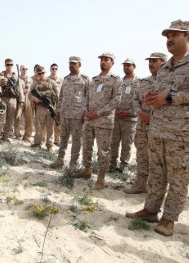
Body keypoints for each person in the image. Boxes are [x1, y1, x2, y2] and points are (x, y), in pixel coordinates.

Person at [126, 19, 189, 237]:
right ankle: (150, 210)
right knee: (156, 175)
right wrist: (152, 98)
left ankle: (169, 219)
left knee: (178, 177)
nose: (170, 39)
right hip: (158, 130)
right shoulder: (165, 67)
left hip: (182, 133)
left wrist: (169, 98)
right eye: (168, 36)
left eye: (175, 35)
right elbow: (160, 94)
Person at [73, 53, 122, 189]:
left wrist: (98, 113)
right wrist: (86, 111)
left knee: (103, 150)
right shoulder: (94, 80)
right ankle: (87, 170)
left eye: (106, 60)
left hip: (104, 121)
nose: (103, 62)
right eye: (101, 60)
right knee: (87, 146)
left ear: (112, 62)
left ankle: (101, 177)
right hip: (89, 120)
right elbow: (86, 98)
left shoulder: (116, 80)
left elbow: (116, 101)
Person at [123, 52, 167, 194]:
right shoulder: (144, 82)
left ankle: (156, 189)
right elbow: (135, 100)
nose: (151, 64)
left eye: (154, 61)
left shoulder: (169, 82)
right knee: (142, 156)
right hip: (142, 126)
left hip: (161, 128)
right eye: (150, 61)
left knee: (159, 159)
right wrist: (140, 113)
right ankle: (141, 184)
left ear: (164, 62)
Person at [50, 56, 89, 169]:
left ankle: (73, 163)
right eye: (70, 63)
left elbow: (88, 98)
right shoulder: (66, 79)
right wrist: (58, 111)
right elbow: (61, 96)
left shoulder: (85, 79)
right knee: (63, 138)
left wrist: (85, 113)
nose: (71, 65)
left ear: (79, 65)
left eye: (74, 63)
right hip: (65, 114)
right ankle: (60, 159)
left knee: (76, 140)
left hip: (78, 116)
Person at [110, 58, 140, 172]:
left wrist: (129, 112)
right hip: (117, 117)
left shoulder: (139, 82)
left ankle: (124, 166)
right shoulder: (119, 82)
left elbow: (140, 101)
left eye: (129, 65)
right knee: (114, 142)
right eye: (125, 65)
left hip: (130, 119)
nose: (126, 67)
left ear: (134, 67)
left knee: (127, 144)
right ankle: (111, 164)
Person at [30, 65, 59, 152]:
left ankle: (49, 146)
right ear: (37, 74)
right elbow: (30, 95)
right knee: (38, 126)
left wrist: (57, 107)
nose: (41, 74)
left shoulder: (52, 82)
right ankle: (37, 144)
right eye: (39, 73)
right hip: (40, 108)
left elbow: (58, 94)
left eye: (43, 73)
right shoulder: (35, 84)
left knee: (50, 127)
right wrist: (34, 99)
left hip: (50, 106)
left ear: (45, 72)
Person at [0, 58, 24, 142]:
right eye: (8, 64)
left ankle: (6, 136)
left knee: (10, 119)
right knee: (1, 117)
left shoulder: (15, 76)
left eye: (11, 65)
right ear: (5, 65)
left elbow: (19, 88)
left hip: (13, 99)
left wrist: (21, 100)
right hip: (2, 98)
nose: (9, 66)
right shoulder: (1, 74)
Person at [15, 64, 33, 142]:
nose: (24, 70)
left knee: (29, 118)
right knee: (17, 118)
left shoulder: (30, 79)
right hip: (19, 100)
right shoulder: (17, 79)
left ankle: (27, 136)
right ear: (20, 70)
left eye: (26, 69)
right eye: (23, 69)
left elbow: (33, 89)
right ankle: (17, 134)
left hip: (28, 100)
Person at [48, 63, 63, 145]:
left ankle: (57, 140)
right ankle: (46, 138)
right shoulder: (47, 79)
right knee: (48, 121)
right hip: (49, 103)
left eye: (55, 68)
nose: (54, 70)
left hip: (58, 103)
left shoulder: (61, 80)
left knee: (58, 121)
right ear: (50, 70)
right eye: (52, 68)